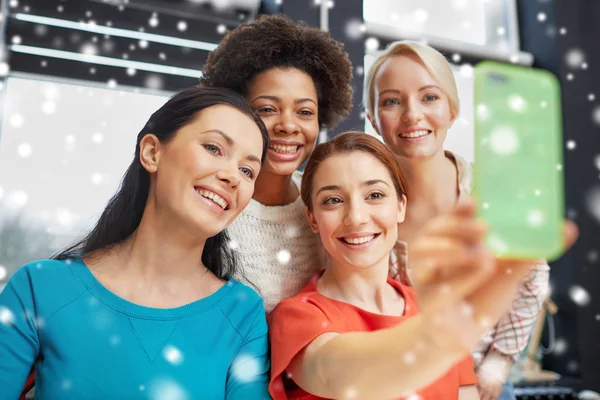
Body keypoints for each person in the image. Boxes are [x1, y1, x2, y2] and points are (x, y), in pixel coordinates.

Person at [0, 87, 272, 399]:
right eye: (214, 148)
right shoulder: (40, 288)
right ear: (152, 153)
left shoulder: (242, 313)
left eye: (248, 170)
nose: (232, 177)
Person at [364, 40, 553, 400]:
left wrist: (497, 365)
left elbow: (532, 277)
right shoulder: (367, 204)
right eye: (391, 100)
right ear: (373, 118)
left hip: (482, 388)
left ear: (453, 109)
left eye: (429, 97)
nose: (412, 114)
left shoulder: (492, 192)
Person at [200, 14, 354, 313]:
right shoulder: (212, 201)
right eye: (268, 109)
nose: (288, 126)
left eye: (304, 112)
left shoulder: (326, 203)